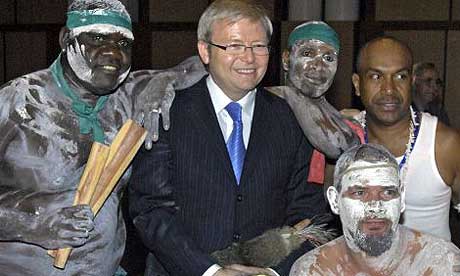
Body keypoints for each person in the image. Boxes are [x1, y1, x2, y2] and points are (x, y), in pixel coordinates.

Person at [0, 0, 206, 275]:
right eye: (97, 38)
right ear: (66, 39)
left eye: (124, 44)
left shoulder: (130, 96)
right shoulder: (18, 101)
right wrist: (31, 221)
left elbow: (207, 64)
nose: (113, 53)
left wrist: (166, 79)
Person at [129, 1, 327, 275]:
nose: (249, 58)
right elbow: (150, 209)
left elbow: (309, 212)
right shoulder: (166, 114)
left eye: (258, 46)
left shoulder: (291, 118)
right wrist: (210, 271)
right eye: (234, 46)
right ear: (205, 51)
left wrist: (273, 272)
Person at [290, 144, 460, 276]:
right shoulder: (313, 270)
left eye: (388, 192)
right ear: (335, 201)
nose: (375, 206)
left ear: (401, 199)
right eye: (360, 193)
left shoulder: (442, 262)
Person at [350, 36, 460, 241]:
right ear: (357, 84)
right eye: (376, 77)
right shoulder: (342, 140)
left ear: (412, 82)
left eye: (400, 76)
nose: (389, 89)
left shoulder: (445, 145)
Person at [268, 21, 360, 160]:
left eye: (328, 58)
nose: (318, 66)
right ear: (287, 59)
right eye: (307, 53)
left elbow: (341, 149)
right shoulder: (266, 104)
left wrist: (291, 95)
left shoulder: (340, 117)